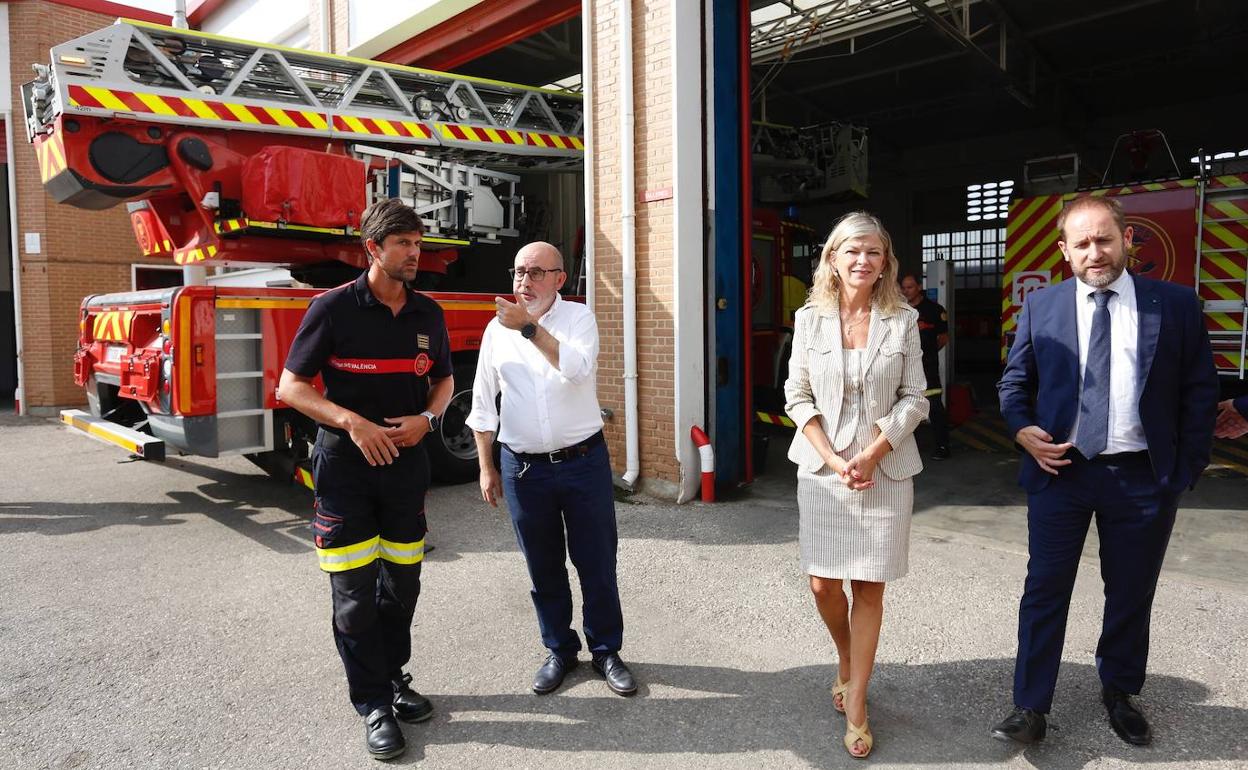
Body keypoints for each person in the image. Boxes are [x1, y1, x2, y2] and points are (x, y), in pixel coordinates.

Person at [993, 195, 1218, 747]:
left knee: (1130, 591)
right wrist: (1021, 430)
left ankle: (1119, 691)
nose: (1095, 251)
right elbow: (1014, 386)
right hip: (1060, 473)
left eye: (1105, 239)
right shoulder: (1042, 308)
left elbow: (1200, 391)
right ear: (1065, 251)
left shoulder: (1176, 304)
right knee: (1045, 589)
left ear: (1126, 240)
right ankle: (1030, 706)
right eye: (1083, 243)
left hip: (1143, 477)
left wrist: (1183, 470)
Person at [277, 198, 453, 761]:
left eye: (418, 243)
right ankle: (374, 703)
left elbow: (445, 382)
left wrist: (426, 421)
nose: (414, 254)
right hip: (346, 470)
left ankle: (394, 677)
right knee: (353, 592)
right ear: (373, 249)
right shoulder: (331, 309)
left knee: (403, 584)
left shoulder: (429, 313)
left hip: (406, 469)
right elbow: (291, 387)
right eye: (403, 244)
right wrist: (352, 422)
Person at [783, 212, 929, 759]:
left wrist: (870, 454)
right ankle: (846, 660)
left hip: (883, 471)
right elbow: (797, 395)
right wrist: (832, 456)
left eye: (874, 252)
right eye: (852, 251)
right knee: (823, 585)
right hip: (822, 471)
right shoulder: (808, 320)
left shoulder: (904, 320)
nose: (863, 261)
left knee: (868, 588)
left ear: (885, 261)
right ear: (833, 259)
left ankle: (860, 699)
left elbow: (916, 398)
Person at [465, 241, 636, 698]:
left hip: (583, 463)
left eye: (537, 272)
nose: (525, 281)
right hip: (524, 470)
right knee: (543, 566)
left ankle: (605, 650)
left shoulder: (578, 319)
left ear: (560, 279)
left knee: (596, 561)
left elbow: (577, 370)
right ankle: (560, 649)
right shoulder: (494, 331)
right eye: (520, 271)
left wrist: (529, 330)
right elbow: (483, 404)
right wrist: (485, 466)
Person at [899, 273, 951, 459]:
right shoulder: (899, 310)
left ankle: (942, 447)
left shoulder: (934, 310)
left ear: (919, 287)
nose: (906, 291)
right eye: (903, 288)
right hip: (902, 368)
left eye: (910, 287)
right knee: (901, 407)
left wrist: (926, 354)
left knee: (935, 407)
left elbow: (943, 338)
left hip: (927, 367)